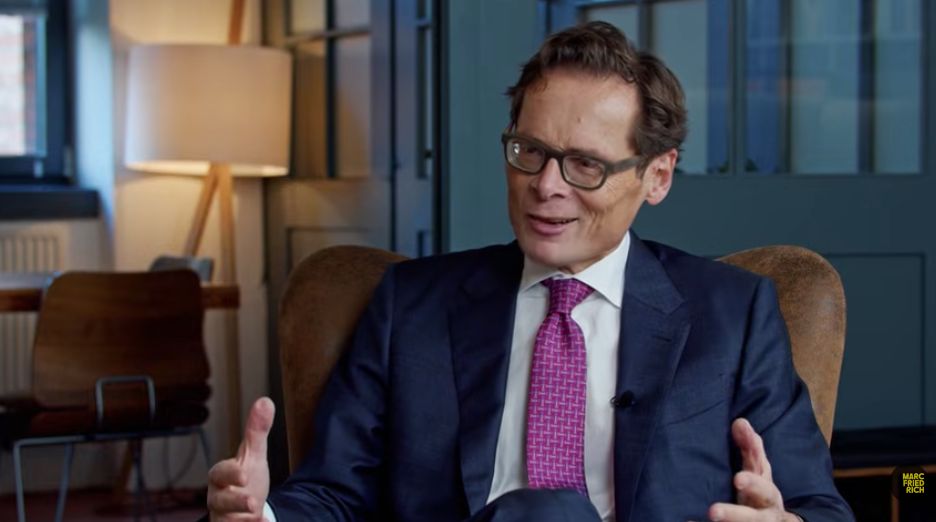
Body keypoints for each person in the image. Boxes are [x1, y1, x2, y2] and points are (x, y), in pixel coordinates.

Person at [207, 21, 854, 522]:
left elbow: (819, 507)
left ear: (657, 175)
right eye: (530, 151)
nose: (546, 186)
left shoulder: (734, 314)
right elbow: (332, 493)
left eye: (585, 165)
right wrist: (260, 515)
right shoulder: (412, 305)